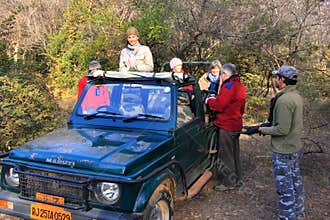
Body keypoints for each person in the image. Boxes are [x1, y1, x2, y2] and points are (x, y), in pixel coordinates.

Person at [246, 65, 305, 220]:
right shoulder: (295, 96)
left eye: (277, 77)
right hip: (294, 146)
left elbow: (282, 129)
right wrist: (259, 127)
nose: (275, 80)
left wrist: (261, 129)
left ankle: (287, 216)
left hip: (284, 149)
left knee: (285, 187)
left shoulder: (284, 100)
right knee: (295, 182)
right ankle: (298, 212)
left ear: (282, 80)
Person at [205, 63, 246, 191]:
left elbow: (220, 104)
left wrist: (209, 100)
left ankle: (228, 183)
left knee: (226, 154)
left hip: (227, 125)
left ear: (225, 74)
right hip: (236, 123)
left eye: (221, 74)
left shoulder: (229, 86)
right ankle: (237, 178)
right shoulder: (239, 85)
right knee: (234, 152)